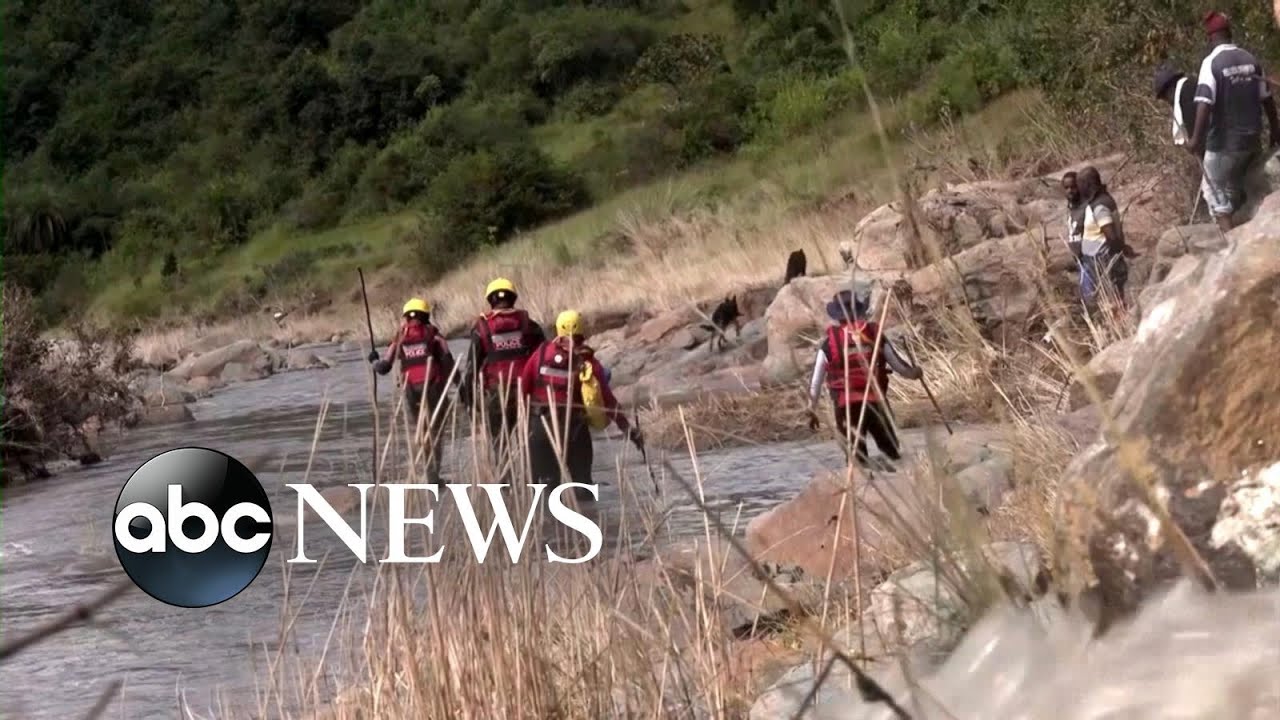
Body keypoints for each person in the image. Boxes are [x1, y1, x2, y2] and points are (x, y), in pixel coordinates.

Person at [519, 309, 642, 495]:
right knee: (582, 487)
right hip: (574, 429)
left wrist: (522, 424)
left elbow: (523, 387)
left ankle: (550, 524)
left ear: (558, 330)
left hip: (540, 429)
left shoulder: (541, 353)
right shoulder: (588, 361)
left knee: (547, 491)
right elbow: (607, 400)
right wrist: (627, 429)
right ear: (582, 332)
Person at [805, 288, 922, 470]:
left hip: (847, 408)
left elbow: (815, 383)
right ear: (859, 310)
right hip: (877, 405)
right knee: (892, 455)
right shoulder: (874, 334)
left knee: (856, 463)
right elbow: (900, 367)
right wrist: (915, 373)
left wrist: (811, 411)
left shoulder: (830, 343)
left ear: (838, 316)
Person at [1187, 11, 1280, 231]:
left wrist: (1195, 140)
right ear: (1229, 32)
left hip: (1223, 145)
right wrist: (1275, 131)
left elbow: (1204, 104)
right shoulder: (1250, 59)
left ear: (1210, 37)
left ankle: (1230, 247)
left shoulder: (1211, 63)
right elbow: (1267, 100)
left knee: (1213, 194)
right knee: (1235, 191)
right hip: (1252, 140)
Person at [369, 297, 456, 482]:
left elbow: (383, 367)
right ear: (426, 316)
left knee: (422, 430)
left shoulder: (400, 338)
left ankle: (427, 472)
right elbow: (449, 364)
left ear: (406, 318)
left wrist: (373, 360)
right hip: (434, 388)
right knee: (436, 431)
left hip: (411, 390)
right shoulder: (435, 336)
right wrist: (463, 389)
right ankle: (433, 476)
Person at [458, 277, 546, 452]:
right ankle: (533, 477)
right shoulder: (530, 324)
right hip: (526, 392)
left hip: (496, 394)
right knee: (529, 446)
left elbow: (471, 369)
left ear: (491, 300)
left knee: (500, 446)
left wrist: (468, 400)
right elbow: (544, 358)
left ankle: (506, 478)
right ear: (513, 298)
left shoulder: (481, 328)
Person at [1075, 166, 1136, 307]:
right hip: (1098, 260)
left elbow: (1111, 236)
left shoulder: (1099, 206)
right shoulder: (1101, 201)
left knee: (1109, 299)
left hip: (1100, 260)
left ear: (1087, 185)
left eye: (1080, 185)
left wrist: (1114, 258)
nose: (1079, 189)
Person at [1154, 64, 1199, 150]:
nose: (1168, 102)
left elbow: (1196, 128)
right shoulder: (1192, 84)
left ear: (1170, 89)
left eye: (1165, 97)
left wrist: (1194, 143)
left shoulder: (1186, 94)